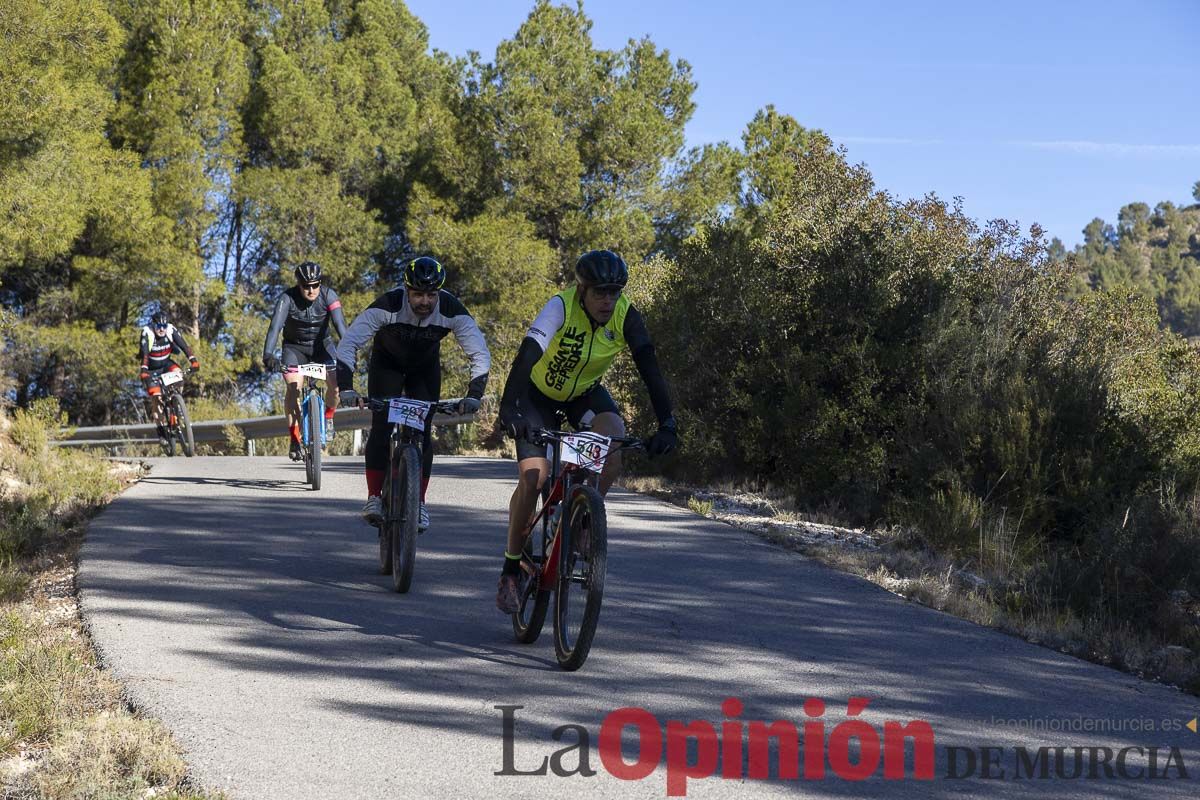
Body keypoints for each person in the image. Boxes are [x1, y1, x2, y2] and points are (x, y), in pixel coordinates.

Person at [494, 249, 678, 613]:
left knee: (613, 444)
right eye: (600, 293)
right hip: (537, 396)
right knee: (534, 477)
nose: (608, 301)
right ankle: (511, 568)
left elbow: (650, 368)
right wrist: (508, 407)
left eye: (614, 292)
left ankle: (582, 520)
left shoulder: (624, 313)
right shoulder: (560, 306)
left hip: (583, 395)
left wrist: (667, 423)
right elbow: (528, 353)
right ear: (582, 289)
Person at [336, 256, 491, 532]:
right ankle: (374, 497)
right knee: (381, 427)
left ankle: (418, 501)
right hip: (387, 366)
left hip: (424, 369)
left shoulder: (452, 309)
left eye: (431, 295)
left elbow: (479, 353)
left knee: (423, 430)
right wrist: (347, 388)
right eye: (417, 294)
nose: (424, 302)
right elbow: (348, 344)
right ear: (406, 290)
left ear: (439, 293)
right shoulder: (388, 305)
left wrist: (474, 394)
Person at [262, 261, 348, 460]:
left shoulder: (329, 295)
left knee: (336, 385)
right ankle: (294, 438)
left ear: (320, 283)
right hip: (294, 348)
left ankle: (327, 418)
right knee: (293, 388)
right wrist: (268, 355)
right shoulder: (287, 298)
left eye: (315, 285)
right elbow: (274, 327)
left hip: (322, 347)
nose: (311, 290)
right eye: (306, 286)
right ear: (299, 285)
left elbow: (340, 324)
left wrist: (349, 350)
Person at [138, 310, 200, 442]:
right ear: (153, 325)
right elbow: (144, 354)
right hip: (150, 369)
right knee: (156, 398)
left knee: (179, 374)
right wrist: (143, 369)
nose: (162, 330)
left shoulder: (171, 330)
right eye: (159, 327)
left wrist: (193, 360)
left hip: (166, 364)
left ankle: (176, 402)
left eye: (164, 327)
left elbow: (184, 345)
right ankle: (161, 430)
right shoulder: (147, 332)